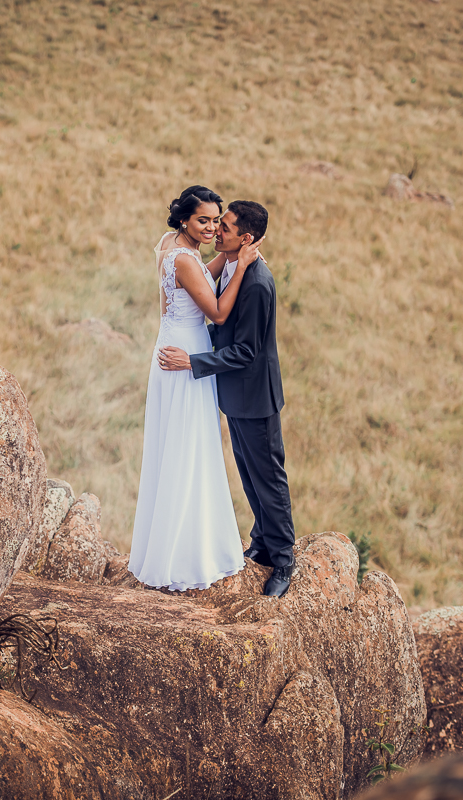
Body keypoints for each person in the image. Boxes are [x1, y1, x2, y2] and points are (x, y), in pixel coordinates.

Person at [157, 200, 296, 597]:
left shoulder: (257, 283)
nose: (217, 231)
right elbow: (221, 322)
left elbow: (246, 351)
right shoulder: (234, 266)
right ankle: (262, 542)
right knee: (249, 475)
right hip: (235, 394)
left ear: (245, 239)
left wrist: (192, 361)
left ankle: (284, 560)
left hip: (256, 397)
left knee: (268, 478)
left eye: (226, 227)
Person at [128, 186, 262, 591]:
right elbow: (218, 313)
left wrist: (230, 256)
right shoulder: (184, 259)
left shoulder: (173, 244)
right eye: (203, 220)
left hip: (175, 343)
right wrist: (242, 265)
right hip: (184, 357)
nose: (212, 228)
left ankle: (175, 544)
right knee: (188, 447)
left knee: (179, 445)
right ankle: (186, 555)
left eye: (216, 221)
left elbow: (203, 274)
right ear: (184, 218)